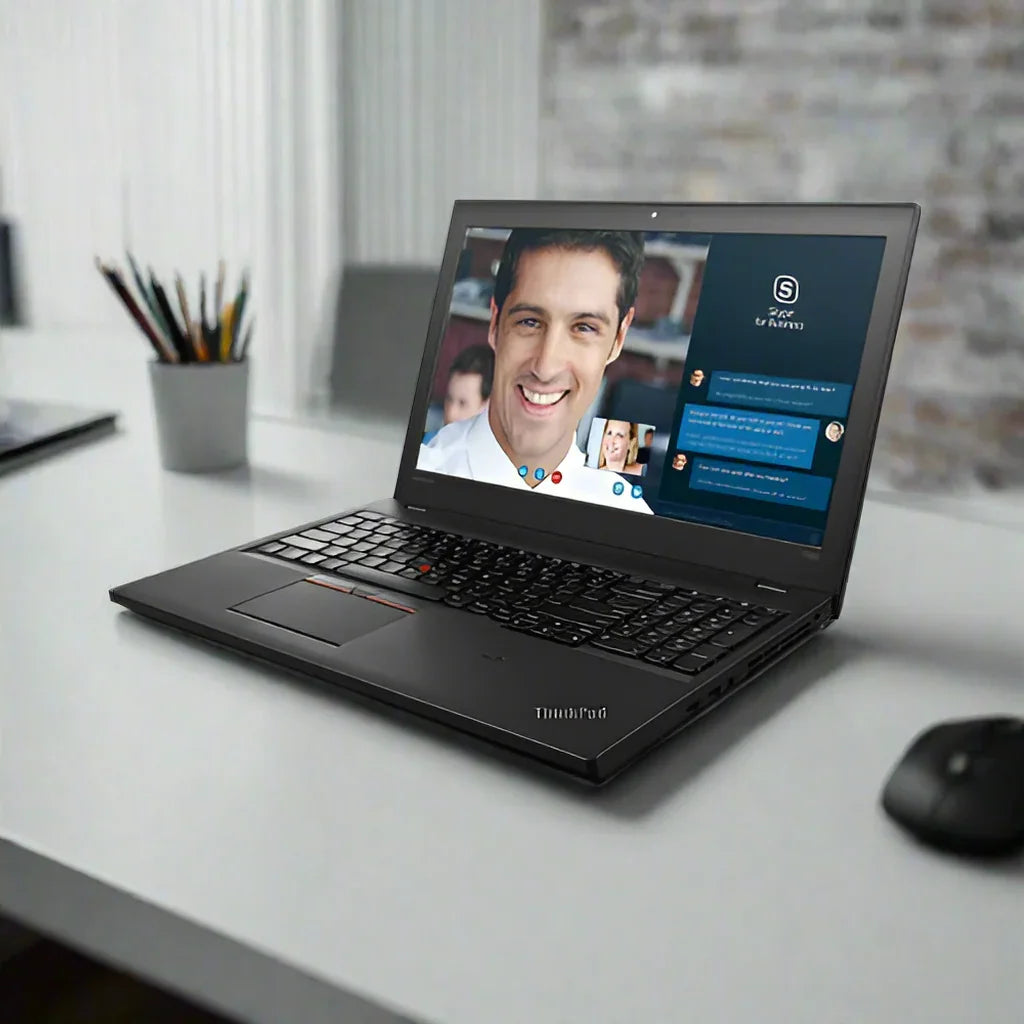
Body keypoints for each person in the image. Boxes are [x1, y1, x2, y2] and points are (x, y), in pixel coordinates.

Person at [419, 228, 653, 513]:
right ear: (495, 325)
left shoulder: (629, 516)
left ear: (618, 339)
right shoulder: (416, 475)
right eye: (529, 321)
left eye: (584, 328)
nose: (546, 367)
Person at [423, 344, 494, 443]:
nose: (451, 414)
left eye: (462, 403)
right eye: (449, 399)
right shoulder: (428, 444)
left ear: (488, 407)